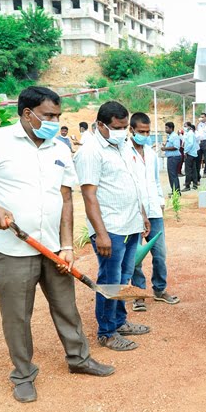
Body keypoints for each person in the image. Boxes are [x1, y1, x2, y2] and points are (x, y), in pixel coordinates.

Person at [0, 86, 114, 403]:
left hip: (53, 249)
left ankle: (79, 360)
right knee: (17, 317)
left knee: (66, 308)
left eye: (58, 115)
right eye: (48, 115)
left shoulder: (58, 148)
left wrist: (67, 245)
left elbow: (66, 197)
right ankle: (24, 375)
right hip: (13, 251)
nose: (55, 121)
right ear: (27, 114)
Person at [75, 101, 151, 352]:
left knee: (123, 277)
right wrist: (101, 233)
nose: (122, 131)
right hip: (111, 229)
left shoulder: (122, 144)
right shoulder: (90, 152)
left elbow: (131, 182)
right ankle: (106, 332)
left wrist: (142, 215)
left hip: (130, 224)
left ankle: (119, 321)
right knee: (109, 280)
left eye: (124, 127)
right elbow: (89, 196)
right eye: (117, 127)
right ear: (100, 125)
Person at [128, 112, 180, 312]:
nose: (145, 134)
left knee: (160, 253)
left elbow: (156, 180)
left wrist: (160, 201)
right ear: (131, 130)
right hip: (132, 213)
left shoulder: (150, 153)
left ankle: (160, 289)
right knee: (135, 255)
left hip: (154, 211)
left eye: (148, 131)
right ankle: (139, 293)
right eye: (141, 131)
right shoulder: (124, 152)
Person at [161, 121, 182, 195]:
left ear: (171, 128)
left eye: (166, 128)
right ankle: (174, 191)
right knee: (171, 175)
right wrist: (165, 146)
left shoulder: (174, 136)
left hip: (174, 157)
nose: (165, 129)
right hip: (171, 157)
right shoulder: (170, 136)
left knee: (173, 175)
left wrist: (165, 149)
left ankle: (176, 192)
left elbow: (176, 147)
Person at [183, 122, 200, 191]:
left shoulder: (190, 134)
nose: (184, 127)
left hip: (189, 153)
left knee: (188, 170)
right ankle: (195, 184)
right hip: (193, 153)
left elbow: (190, 144)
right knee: (194, 169)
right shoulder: (190, 133)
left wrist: (185, 151)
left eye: (185, 126)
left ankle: (187, 185)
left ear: (189, 127)